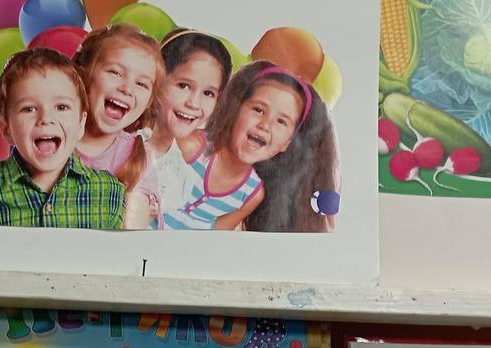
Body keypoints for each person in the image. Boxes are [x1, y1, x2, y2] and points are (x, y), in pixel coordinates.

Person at [162, 61, 336, 232]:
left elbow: (218, 236)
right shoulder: (190, 147)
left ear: (286, 144)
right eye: (258, 110)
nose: (265, 125)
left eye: (281, 121)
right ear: (235, 111)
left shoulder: (252, 193)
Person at [0, 47, 124, 229]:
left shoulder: (109, 192)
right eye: (29, 109)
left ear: (81, 123)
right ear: (6, 127)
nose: (46, 119)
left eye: (61, 107)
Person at [74, 25, 164, 229]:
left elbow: (132, 233)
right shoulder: (55, 137)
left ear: (149, 102)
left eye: (142, 84)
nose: (126, 89)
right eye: (115, 72)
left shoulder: (137, 154)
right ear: (84, 74)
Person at [150, 29, 231, 224]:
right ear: (157, 78)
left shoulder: (182, 178)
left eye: (208, 93)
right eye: (183, 86)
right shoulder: (120, 146)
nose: (194, 103)